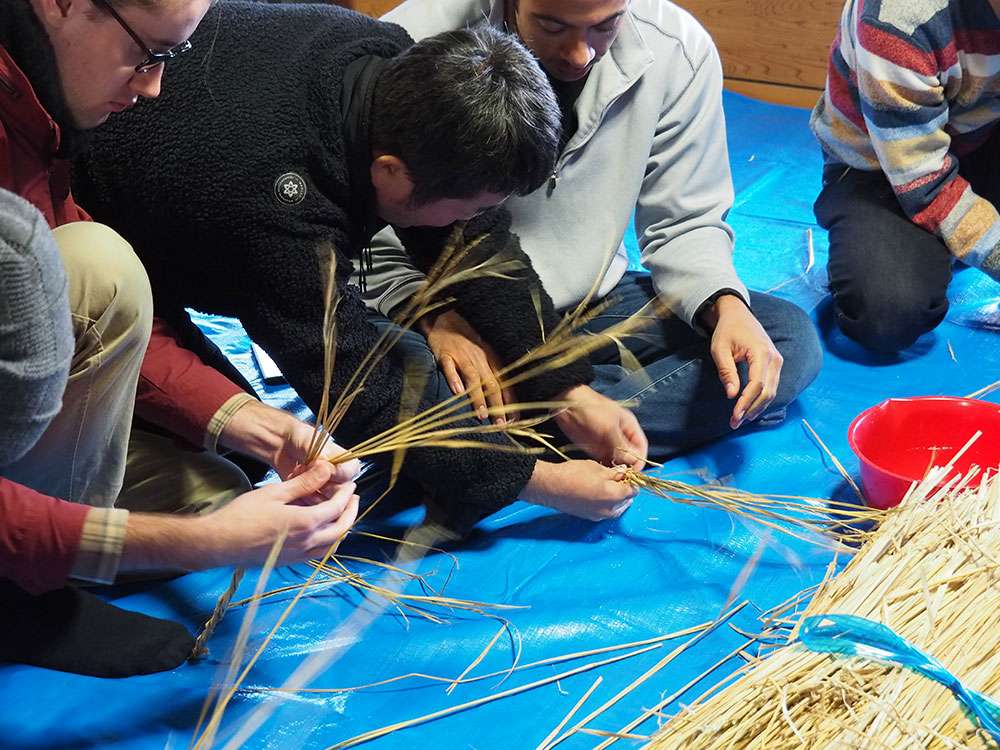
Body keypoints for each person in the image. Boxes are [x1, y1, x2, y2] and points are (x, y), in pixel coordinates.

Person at [75, 3, 645, 542]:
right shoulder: (276, 208)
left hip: (199, 162)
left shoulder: (389, 64)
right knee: (234, 467)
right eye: (469, 207)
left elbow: (480, 246)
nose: (475, 222)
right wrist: (533, 481)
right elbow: (350, 385)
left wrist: (565, 389)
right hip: (92, 256)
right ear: (391, 174)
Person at [0, 0, 360, 678]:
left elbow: (108, 318)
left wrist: (254, 423)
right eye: (150, 54)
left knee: (219, 486)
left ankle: (53, 558)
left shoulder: (35, 108)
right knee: (95, 262)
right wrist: (201, 545)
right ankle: (23, 594)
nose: (153, 86)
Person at [359, 0, 823, 461]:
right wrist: (431, 315)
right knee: (378, 381)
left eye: (606, 26)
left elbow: (685, 219)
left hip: (590, 305)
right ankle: (535, 431)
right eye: (552, 25)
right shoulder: (411, 44)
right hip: (455, 312)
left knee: (783, 339)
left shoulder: (676, 48)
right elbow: (368, 231)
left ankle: (491, 443)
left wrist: (724, 305)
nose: (580, 54)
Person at [811, 0, 1000, 352]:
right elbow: (924, 181)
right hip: (884, 163)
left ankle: (950, 241)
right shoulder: (898, 14)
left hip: (984, 131)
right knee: (886, 313)